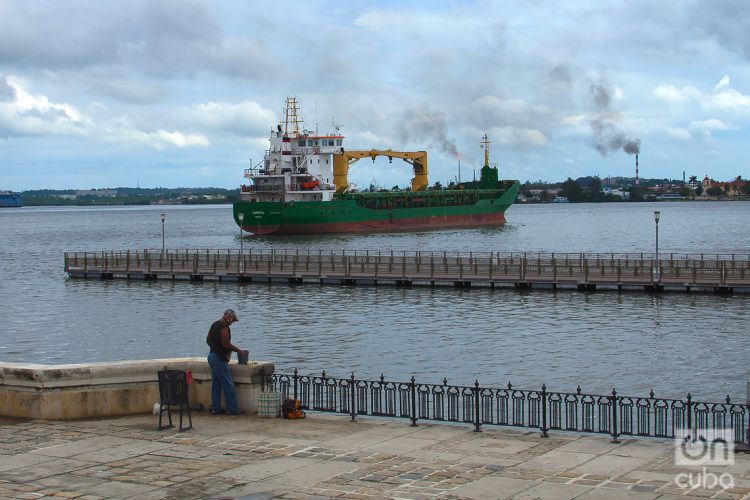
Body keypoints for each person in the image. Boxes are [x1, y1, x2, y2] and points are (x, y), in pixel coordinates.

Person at [206, 309, 245, 415]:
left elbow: (208, 340)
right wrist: (239, 351)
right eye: (232, 320)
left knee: (216, 383)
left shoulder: (214, 324)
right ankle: (232, 409)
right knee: (228, 383)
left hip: (211, 356)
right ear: (229, 318)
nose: (232, 323)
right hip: (218, 359)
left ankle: (216, 408)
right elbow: (226, 344)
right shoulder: (224, 328)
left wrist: (214, 348)